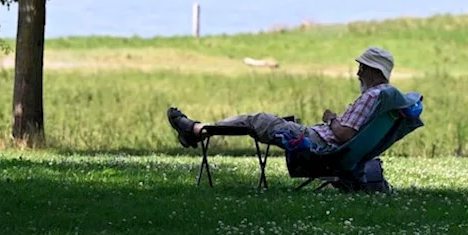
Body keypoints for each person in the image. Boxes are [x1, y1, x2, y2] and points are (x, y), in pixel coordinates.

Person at [167, 46, 396, 149]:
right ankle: (199, 131)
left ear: (375, 71)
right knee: (272, 121)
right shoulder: (383, 97)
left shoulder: (372, 96)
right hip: (318, 138)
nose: (358, 73)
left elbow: (345, 134)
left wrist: (331, 119)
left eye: (362, 69)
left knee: (256, 120)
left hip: (318, 143)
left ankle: (196, 130)